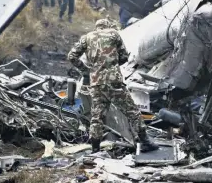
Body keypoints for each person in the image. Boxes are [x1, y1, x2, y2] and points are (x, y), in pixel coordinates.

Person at [68, 19, 159, 153]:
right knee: (132, 111)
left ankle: (95, 148)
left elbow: (71, 56)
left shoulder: (86, 38)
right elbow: (124, 56)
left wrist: (86, 70)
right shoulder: (113, 34)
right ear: (107, 26)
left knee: (97, 116)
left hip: (96, 83)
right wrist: (113, 64)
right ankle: (145, 141)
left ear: (97, 27)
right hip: (114, 81)